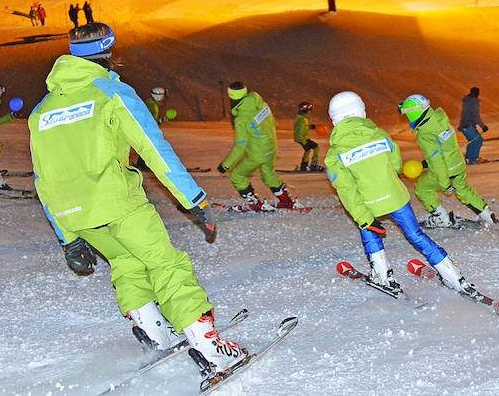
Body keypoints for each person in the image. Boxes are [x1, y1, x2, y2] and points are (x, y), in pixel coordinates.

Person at [28, 22, 245, 375]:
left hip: (75, 214)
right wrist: (193, 199)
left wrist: (67, 237)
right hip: (117, 202)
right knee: (165, 264)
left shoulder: (41, 111)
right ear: (107, 51)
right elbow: (153, 148)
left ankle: (152, 330)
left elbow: (43, 178)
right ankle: (209, 345)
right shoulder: (112, 93)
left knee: (127, 262)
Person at [325, 91, 481, 296]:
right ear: (361, 111)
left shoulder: (334, 154)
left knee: (370, 233)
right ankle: (453, 276)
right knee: (416, 235)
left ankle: (382, 275)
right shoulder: (380, 134)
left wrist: (364, 219)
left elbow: (347, 190)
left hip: (369, 204)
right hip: (397, 198)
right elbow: (397, 165)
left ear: (334, 118)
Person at [398, 94, 499, 229]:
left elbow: (437, 161)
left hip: (445, 170)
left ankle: (441, 218)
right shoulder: (439, 120)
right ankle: (489, 216)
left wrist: (444, 183)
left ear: (413, 114)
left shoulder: (425, 134)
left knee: (422, 188)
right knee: (463, 190)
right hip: (457, 164)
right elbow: (443, 149)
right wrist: (424, 163)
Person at [218, 82, 295, 210]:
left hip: (257, 154)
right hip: (271, 148)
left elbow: (240, 146)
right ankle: (286, 201)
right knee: (268, 174)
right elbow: (273, 123)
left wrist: (225, 165)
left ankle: (254, 203)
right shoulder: (262, 105)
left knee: (237, 175)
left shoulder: (241, 118)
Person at [457, 86, 488, 165]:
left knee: (474, 141)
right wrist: (482, 126)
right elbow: (475, 116)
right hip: (467, 125)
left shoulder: (468, 100)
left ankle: (470, 158)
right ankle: (472, 158)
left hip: (466, 125)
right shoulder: (473, 102)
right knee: (477, 140)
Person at [293, 101, 321, 171]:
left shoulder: (301, 118)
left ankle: (304, 166)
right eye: (309, 110)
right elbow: (300, 132)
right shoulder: (303, 119)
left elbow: (303, 127)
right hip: (302, 138)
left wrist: (313, 126)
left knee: (307, 149)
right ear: (306, 111)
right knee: (316, 146)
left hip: (302, 138)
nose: (310, 112)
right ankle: (314, 164)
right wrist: (304, 142)